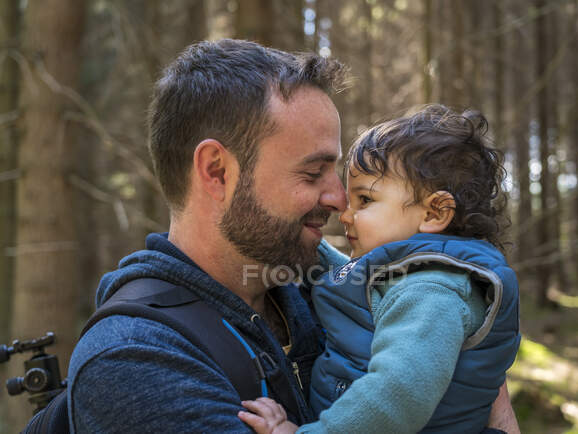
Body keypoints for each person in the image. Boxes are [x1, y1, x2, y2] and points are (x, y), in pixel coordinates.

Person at [66, 40, 518, 433]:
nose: (339, 200)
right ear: (217, 172)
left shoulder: (310, 283)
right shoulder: (137, 360)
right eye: (313, 171)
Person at [238, 105, 521, 433]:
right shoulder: (413, 277)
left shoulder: (431, 292)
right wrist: (306, 248)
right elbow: (364, 286)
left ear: (434, 213)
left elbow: (400, 395)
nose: (345, 214)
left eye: (365, 201)